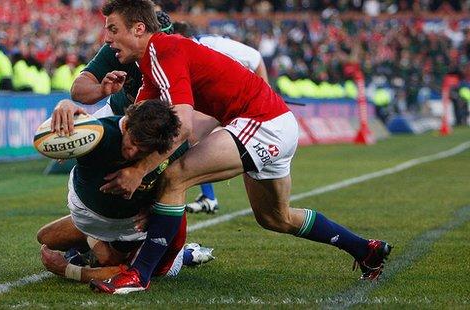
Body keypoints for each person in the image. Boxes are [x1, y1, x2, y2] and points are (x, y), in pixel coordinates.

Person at [85, 0, 391, 294]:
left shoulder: (165, 49)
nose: (107, 38)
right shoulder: (153, 65)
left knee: (175, 176)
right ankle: (366, 250)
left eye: (113, 29)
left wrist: (141, 171)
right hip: (271, 122)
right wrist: (85, 129)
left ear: (139, 29)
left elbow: (184, 125)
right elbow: (137, 127)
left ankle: (139, 275)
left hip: (260, 122)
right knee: (275, 218)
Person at [41, 99, 214, 283]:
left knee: (126, 264)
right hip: (94, 215)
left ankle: (185, 255)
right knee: (44, 238)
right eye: (132, 141)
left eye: (142, 151)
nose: (132, 153)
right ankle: (92, 245)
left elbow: (124, 272)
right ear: (127, 125)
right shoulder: (101, 133)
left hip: (135, 227)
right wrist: (65, 106)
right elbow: (77, 116)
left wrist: (66, 270)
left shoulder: (170, 149)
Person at [69, 10, 222, 214]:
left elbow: (187, 128)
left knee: (170, 175)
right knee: (82, 156)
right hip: (116, 118)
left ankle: (161, 226)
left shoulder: (181, 57)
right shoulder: (119, 49)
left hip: (158, 129)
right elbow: (77, 90)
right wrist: (101, 89)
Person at [172, 20, 271, 213]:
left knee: (192, 134)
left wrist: (264, 95)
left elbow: (255, 58)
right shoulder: (184, 55)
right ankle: (208, 197)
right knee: (190, 134)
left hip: (244, 100)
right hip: (219, 100)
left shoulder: (212, 45)